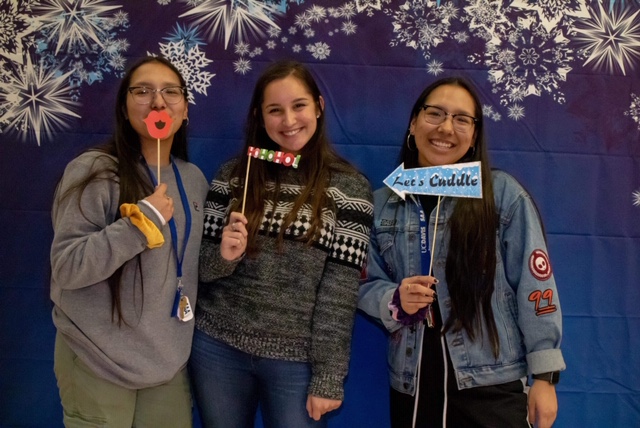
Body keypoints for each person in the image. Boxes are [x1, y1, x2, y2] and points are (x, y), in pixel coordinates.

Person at [358, 77, 565, 428]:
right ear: (413, 123)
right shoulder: (382, 204)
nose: (446, 128)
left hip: (492, 382)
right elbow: (362, 283)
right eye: (435, 114)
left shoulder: (502, 195)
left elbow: (535, 285)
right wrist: (394, 299)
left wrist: (544, 377)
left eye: (461, 119)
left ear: (474, 134)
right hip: (413, 382)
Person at [190, 59, 374, 428]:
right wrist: (224, 256)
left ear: (319, 107)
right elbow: (202, 273)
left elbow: (339, 294)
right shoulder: (231, 176)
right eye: (275, 110)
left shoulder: (350, 189)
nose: (289, 121)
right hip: (217, 348)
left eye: (299, 106)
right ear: (260, 117)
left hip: (296, 360)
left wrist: (327, 376)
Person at [50, 56, 209, 427]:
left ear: (185, 110)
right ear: (124, 108)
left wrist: (228, 255)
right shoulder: (94, 170)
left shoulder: (195, 179)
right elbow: (67, 267)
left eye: (171, 91)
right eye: (143, 91)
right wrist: (139, 225)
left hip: (166, 366)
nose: (157, 101)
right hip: (97, 360)